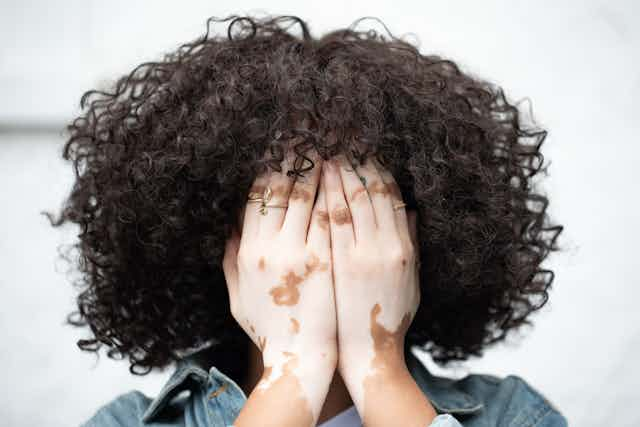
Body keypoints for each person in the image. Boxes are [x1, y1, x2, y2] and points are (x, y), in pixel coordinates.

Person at [44, 14, 567, 427]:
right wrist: (294, 369)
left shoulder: (516, 415)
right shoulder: (125, 422)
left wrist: (377, 366)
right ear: (226, 242)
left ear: (417, 235)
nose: (326, 233)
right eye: (288, 205)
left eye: (363, 206)